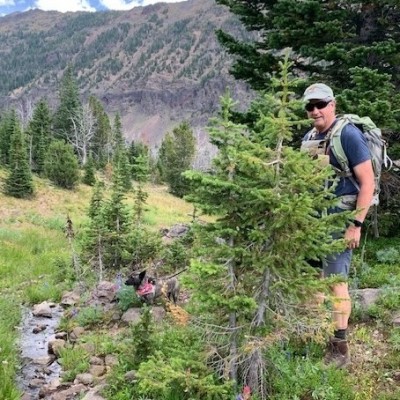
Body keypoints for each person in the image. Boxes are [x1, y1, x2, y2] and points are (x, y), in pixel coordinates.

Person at [302, 83, 375, 368]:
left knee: (336, 283)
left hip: (339, 220)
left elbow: (368, 182)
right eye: (310, 106)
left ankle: (340, 348)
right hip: (312, 221)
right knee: (311, 282)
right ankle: (312, 334)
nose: (315, 110)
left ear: (333, 104)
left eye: (320, 104)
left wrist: (356, 224)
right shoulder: (309, 136)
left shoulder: (348, 135)